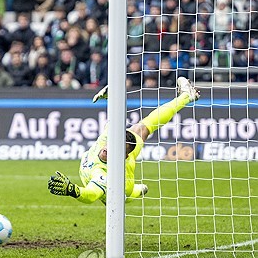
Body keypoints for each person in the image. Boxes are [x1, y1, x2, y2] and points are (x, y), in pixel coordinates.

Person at [48, 77, 200, 204]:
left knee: (126, 194)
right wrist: (112, 97)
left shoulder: (104, 175)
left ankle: (137, 190)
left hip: (122, 189)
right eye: (113, 144)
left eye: (118, 150)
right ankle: (187, 96)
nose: (109, 148)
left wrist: (72, 190)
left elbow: (91, 195)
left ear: (124, 156)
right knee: (144, 127)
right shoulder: (108, 137)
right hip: (121, 154)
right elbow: (115, 119)